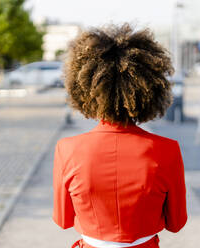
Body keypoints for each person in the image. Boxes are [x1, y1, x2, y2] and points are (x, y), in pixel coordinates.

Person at [53, 23, 187, 248]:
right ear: (150, 89)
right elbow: (176, 223)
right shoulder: (167, 149)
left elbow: (63, 220)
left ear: (85, 90)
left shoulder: (67, 149)